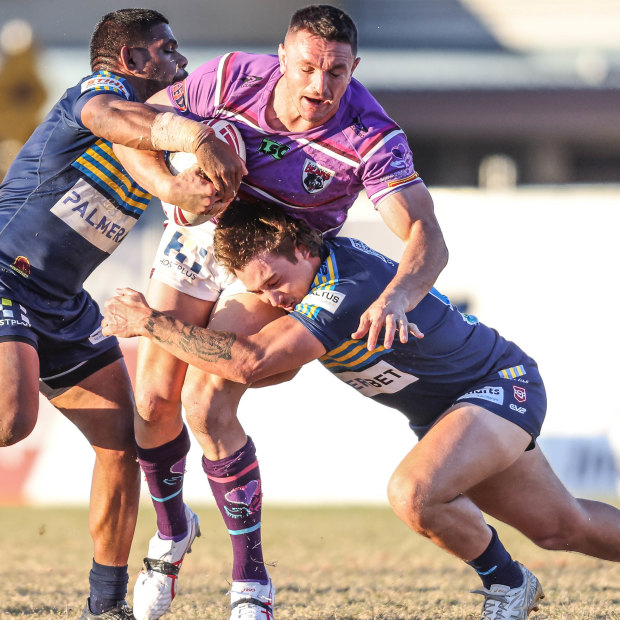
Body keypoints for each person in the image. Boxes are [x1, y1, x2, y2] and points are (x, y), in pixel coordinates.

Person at [103, 199, 620, 620]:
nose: (273, 300)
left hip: (500, 385)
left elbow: (254, 363)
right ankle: (513, 581)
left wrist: (149, 322)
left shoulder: (343, 288)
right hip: (451, 411)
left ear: (305, 249)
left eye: (275, 283)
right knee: (562, 527)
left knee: (413, 493)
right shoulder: (309, 281)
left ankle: (509, 584)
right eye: (258, 291)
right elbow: (267, 366)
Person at [112, 5, 448, 619]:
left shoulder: (370, 137)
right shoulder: (231, 76)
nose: (320, 87)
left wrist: (398, 294)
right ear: (282, 56)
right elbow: (129, 127)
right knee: (153, 402)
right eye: (308, 68)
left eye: (337, 73)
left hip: (275, 266)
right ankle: (171, 532)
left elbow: (426, 233)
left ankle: (250, 581)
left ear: (354, 68)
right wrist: (168, 184)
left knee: (208, 402)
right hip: (197, 238)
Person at [0, 9, 246, 619]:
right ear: (132, 60)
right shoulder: (98, 94)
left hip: (61, 302)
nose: (181, 61)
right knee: (10, 418)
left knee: (121, 443)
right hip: (5, 271)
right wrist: (194, 141)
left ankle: (104, 608)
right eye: (168, 49)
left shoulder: (149, 129)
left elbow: (144, 152)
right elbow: (115, 121)